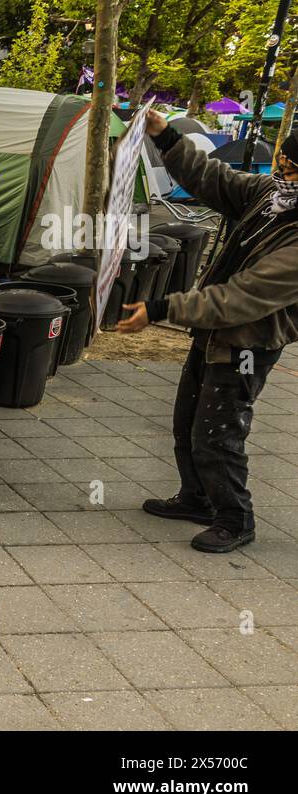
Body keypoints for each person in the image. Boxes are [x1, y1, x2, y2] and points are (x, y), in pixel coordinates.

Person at [117, 112, 298, 553]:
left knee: (217, 432)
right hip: (215, 333)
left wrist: (163, 307)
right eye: (282, 162)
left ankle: (236, 518)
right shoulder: (270, 197)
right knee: (187, 420)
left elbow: (241, 297)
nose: (281, 173)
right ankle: (196, 498)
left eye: (290, 168)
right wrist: (166, 137)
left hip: (248, 342)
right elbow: (212, 178)